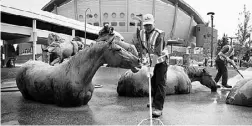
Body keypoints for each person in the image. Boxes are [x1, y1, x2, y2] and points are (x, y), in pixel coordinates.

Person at [138, 14, 168, 117]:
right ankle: (154, 102)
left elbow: (157, 52)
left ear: (153, 23)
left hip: (161, 62)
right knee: (153, 82)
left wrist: (151, 68)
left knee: (160, 84)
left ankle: (158, 108)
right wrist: (146, 60)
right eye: (146, 25)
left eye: (149, 25)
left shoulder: (159, 34)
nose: (147, 27)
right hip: (151, 61)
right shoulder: (141, 33)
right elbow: (143, 47)